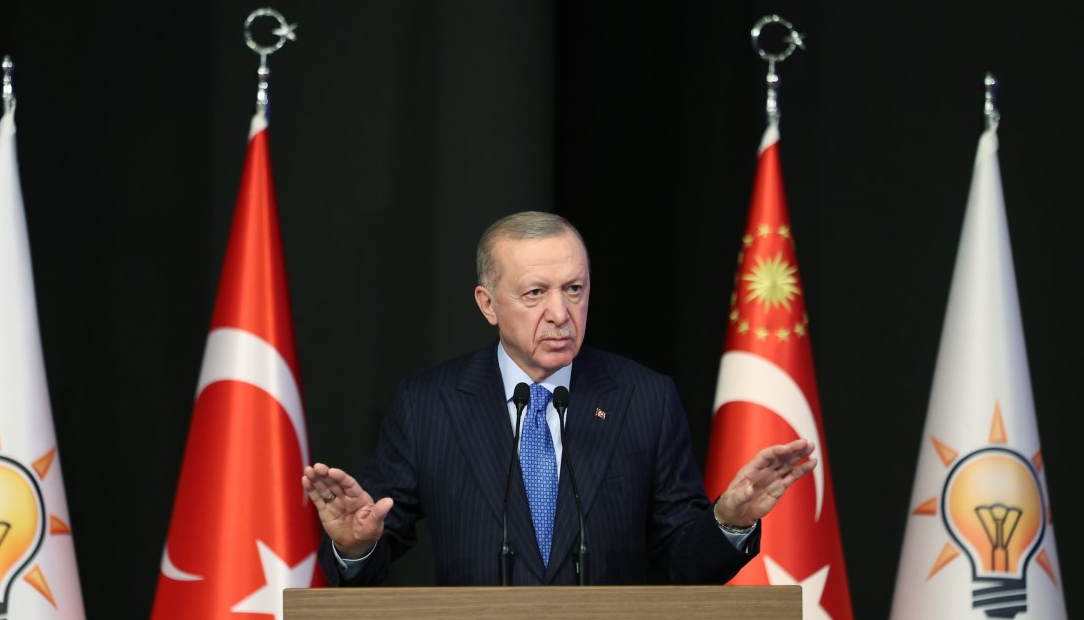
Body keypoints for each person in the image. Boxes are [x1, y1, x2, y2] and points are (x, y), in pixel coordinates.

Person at [302, 211, 816, 586]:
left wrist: (729, 521)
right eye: (535, 293)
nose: (560, 312)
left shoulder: (644, 398)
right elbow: (373, 547)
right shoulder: (429, 404)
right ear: (488, 304)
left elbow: (685, 562)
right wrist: (356, 545)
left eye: (574, 289)